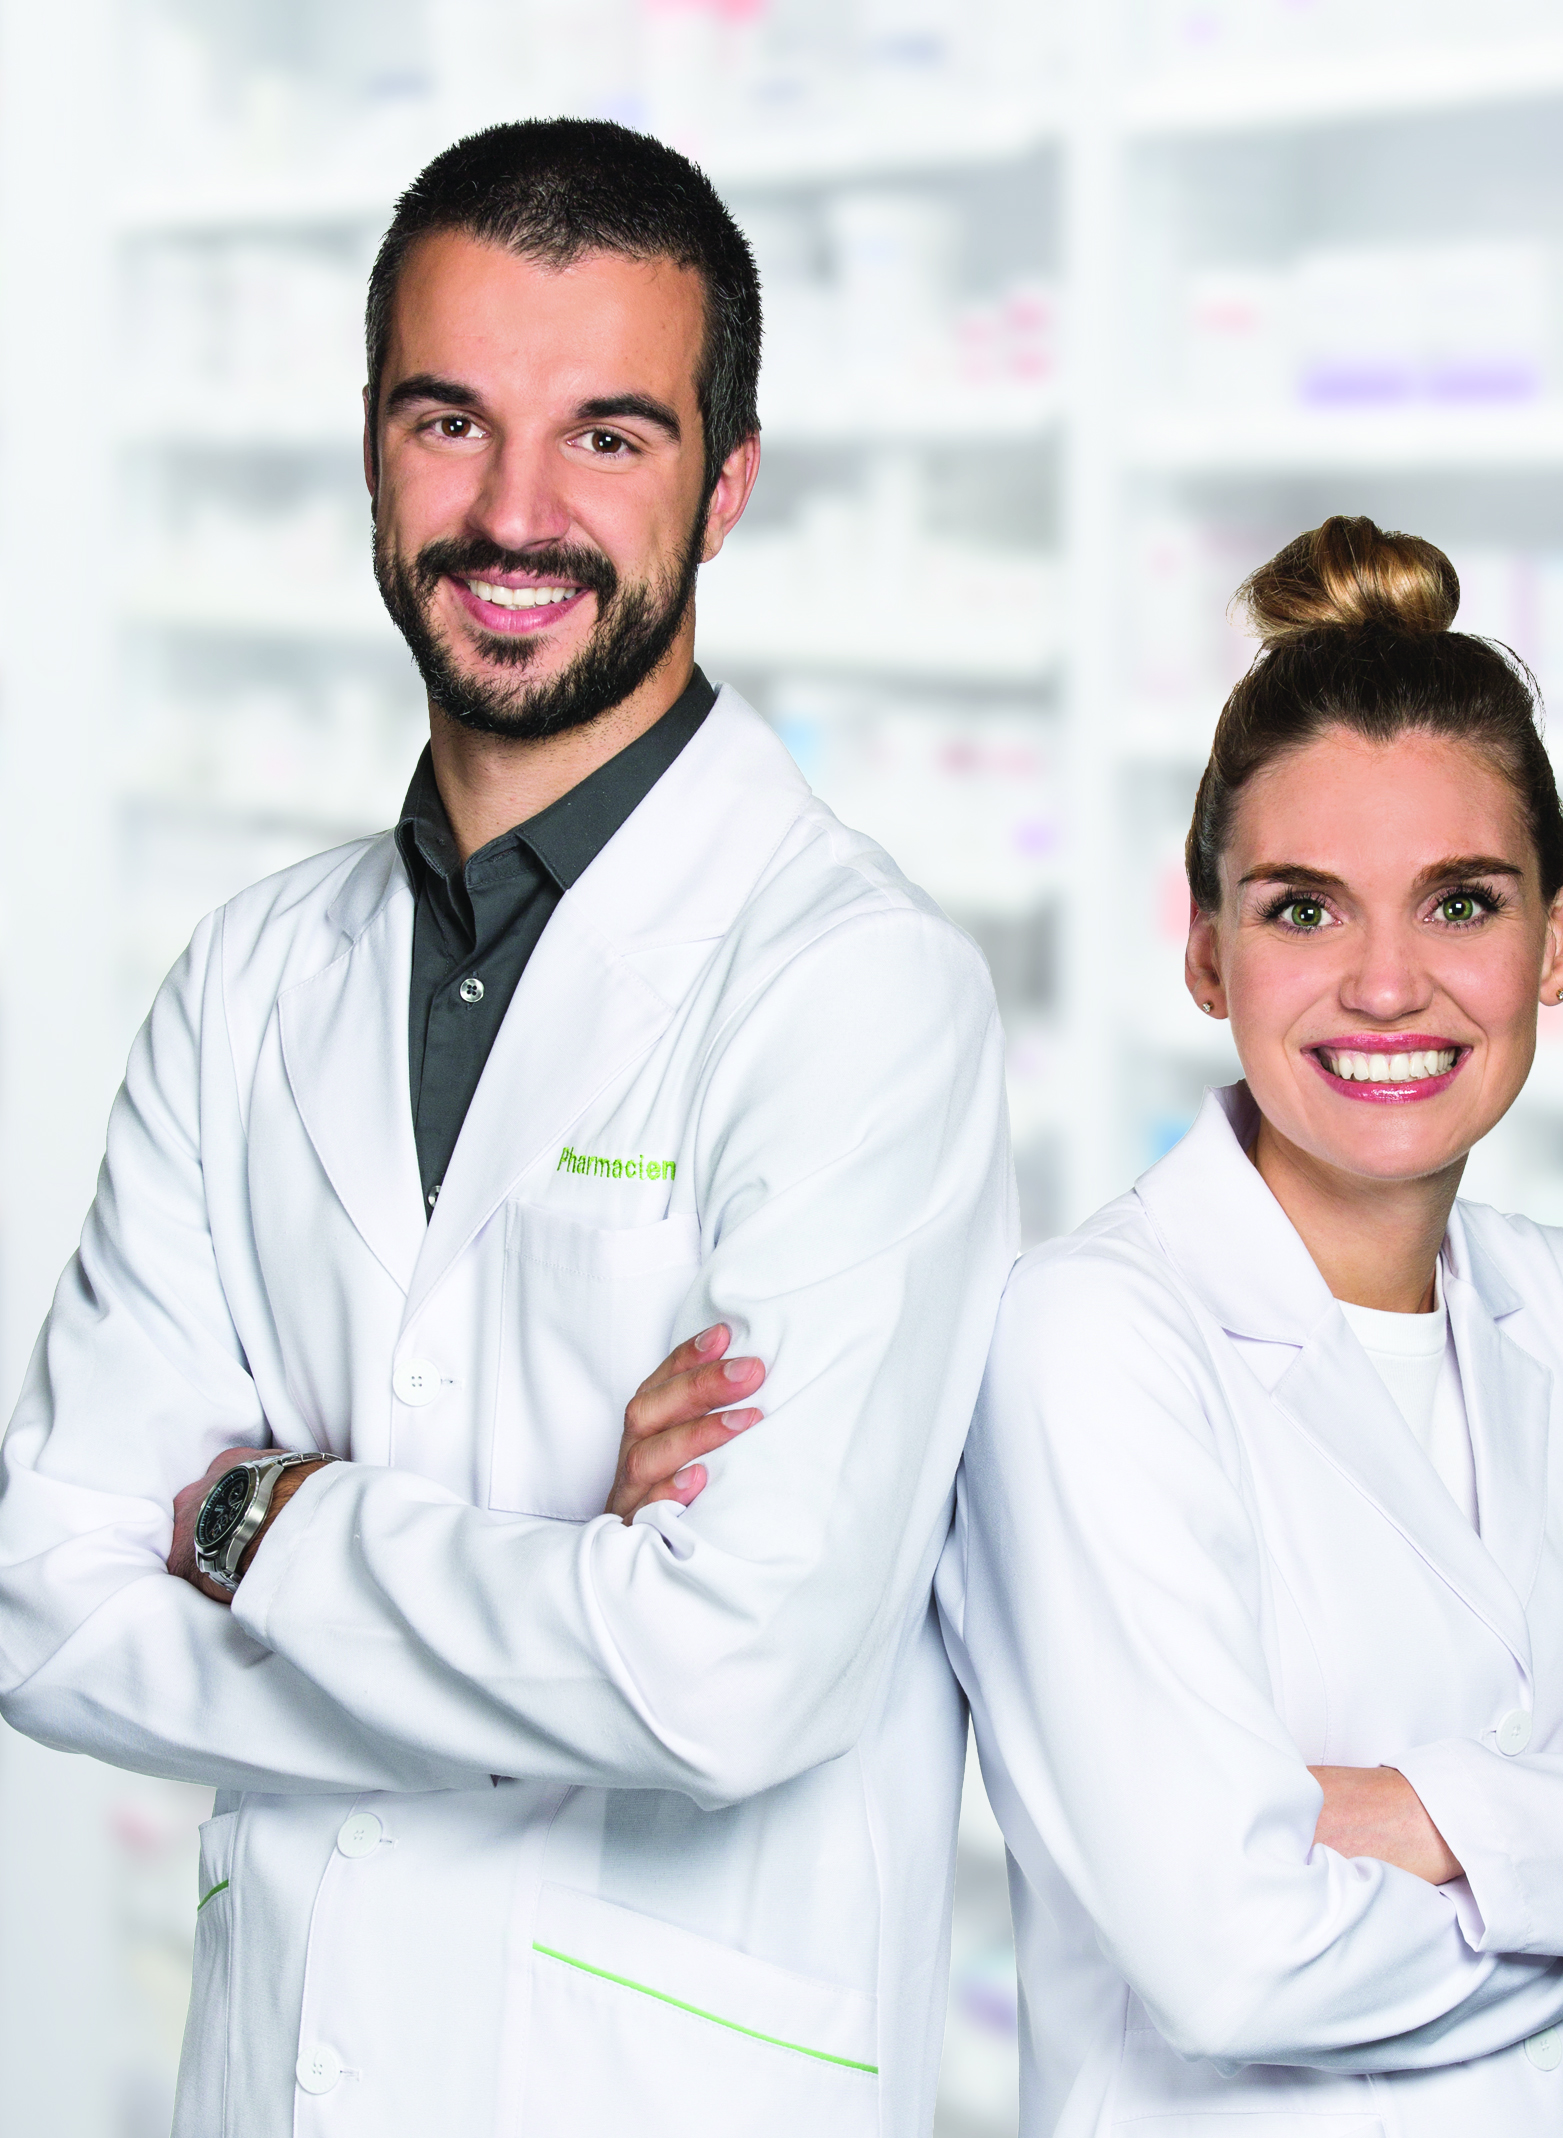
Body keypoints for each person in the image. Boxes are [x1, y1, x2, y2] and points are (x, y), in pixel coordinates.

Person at [0, 120, 1015, 2137]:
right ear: (372, 448)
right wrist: (562, 1559)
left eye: (607, 436)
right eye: (449, 420)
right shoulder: (250, 974)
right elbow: (48, 1594)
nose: (513, 512)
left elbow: (727, 1679)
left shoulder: (859, 990)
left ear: (726, 484)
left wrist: (260, 1517)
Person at [937, 518, 1563, 2137]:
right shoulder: (1089, 1343)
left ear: (1555, 937)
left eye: (1458, 901)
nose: (1384, 985)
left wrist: (1412, 1814)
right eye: (1302, 910)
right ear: (1206, 950)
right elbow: (1231, 1958)